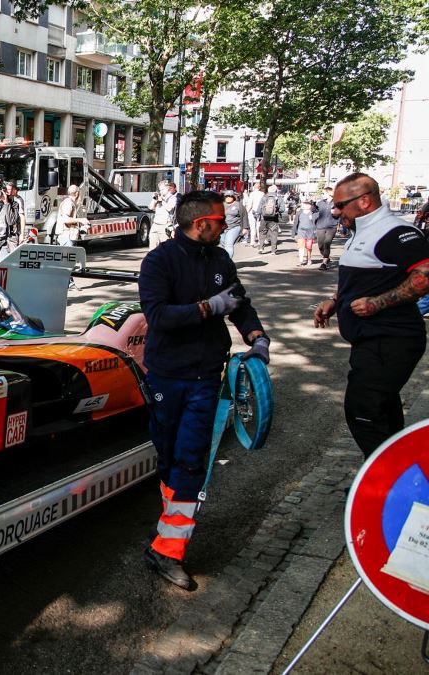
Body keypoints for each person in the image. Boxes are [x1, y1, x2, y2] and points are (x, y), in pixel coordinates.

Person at [138, 190, 270, 590]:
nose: (227, 224)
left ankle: (168, 550)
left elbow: (240, 303)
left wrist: (257, 336)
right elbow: (158, 316)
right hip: (168, 376)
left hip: (205, 378)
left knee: (190, 462)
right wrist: (208, 308)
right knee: (170, 458)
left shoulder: (220, 258)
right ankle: (167, 532)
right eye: (221, 219)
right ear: (201, 224)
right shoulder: (159, 261)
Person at [312, 172, 429, 457]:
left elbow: (425, 274)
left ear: (364, 201)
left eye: (340, 205)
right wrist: (335, 301)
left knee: (364, 409)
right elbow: (362, 280)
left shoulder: (394, 231)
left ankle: (386, 482)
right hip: (370, 340)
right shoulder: (360, 232)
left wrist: (377, 303)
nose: (335, 211)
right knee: (383, 407)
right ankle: (397, 481)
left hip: (392, 339)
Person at [315, 185, 339, 270]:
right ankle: (326, 256)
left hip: (331, 226)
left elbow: (341, 213)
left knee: (327, 243)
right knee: (320, 244)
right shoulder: (320, 203)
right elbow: (315, 212)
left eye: (323, 193)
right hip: (320, 226)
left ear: (328, 193)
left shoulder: (336, 203)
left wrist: (336, 213)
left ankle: (324, 263)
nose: (322, 195)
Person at [148, 180, 177, 250]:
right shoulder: (159, 197)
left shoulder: (173, 198)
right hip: (155, 224)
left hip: (165, 225)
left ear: (168, 188)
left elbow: (169, 208)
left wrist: (162, 201)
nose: (161, 191)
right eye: (160, 190)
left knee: (165, 248)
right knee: (152, 247)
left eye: (162, 189)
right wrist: (154, 200)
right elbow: (151, 207)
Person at [257, 185, 282, 254]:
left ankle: (261, 248)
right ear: (276, 191)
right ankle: (273, 250)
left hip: (264, 219)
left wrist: (258, 215)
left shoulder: (264, 197)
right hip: (274, 219)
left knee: (262, 233)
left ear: (268, 190)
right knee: (273, 234)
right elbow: (282, 209)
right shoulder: (278, 198)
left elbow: (259, 208)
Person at [293, 199, 318, 266]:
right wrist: (293, 232)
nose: (306, 205)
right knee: (301, 247)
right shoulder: (299, 212)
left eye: (308, 204)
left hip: (310, 232)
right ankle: (300, 261)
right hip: (301, 232)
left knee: (309, 247)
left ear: (311, 205)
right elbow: (296, 223)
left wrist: (316, 234)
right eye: (305, 204)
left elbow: (317, 223)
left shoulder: (314, 213)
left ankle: (309, 259)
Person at [221, 191, 244, 259]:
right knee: (223, 244)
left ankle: (227, 262)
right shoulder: (221, 205)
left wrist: (245, 228)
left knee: (228, 244)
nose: (228, 198)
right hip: (222, 228)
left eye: (230, 196)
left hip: (234, 227)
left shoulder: (238, 205)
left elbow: (244, 216)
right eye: (226, 196)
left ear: (233, 197)